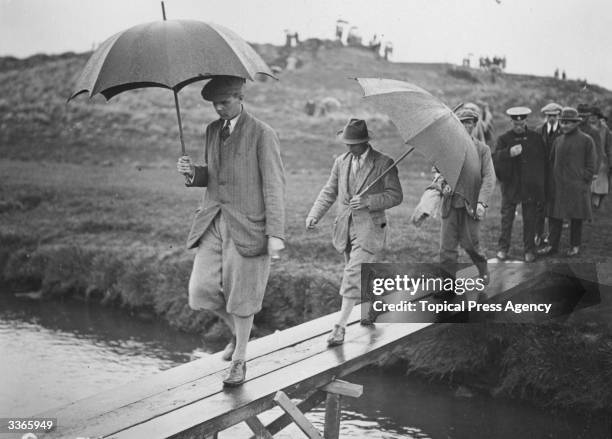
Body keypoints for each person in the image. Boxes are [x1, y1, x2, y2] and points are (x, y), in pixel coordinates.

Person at [176, 76, 286, 387]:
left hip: (249, 226)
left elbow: (274, 186)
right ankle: (241, 336)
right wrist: (193, 173)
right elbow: (214, 176)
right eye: (215, 104)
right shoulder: (212, 130)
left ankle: (240, 360)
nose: (219, 109)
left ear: (239, 97)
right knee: (200, 292)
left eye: (224, 102)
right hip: (213, 221)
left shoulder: (263, 133)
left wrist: (275, 233)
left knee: (242, 298)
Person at [305, 118, 402, 346]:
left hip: (370, 229)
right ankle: (374, 308)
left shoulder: (384, 163)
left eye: (353, 143)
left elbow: (396, 196)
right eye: (346, 143)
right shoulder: (341, 161)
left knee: (351, 274)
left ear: (364, 142)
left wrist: (369, 200)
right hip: (345, 227)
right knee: (360, 272)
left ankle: (339, 328)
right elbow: (330, 190)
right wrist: (314, 214)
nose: (348, 147)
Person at [413, 107, 495, 282]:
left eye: (470, 122)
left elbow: (489, 178)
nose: (466, 126)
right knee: (447, 249)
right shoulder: (446, 150)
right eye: (462, 122)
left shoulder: (482, 150)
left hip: (471, 207)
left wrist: (481, 203)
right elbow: (437, 172)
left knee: (471, 245)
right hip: (449, 206)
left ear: (474, 125)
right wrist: (443, 184)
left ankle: (483, 269)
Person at [538, 107, 596, 256]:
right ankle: (552, 246)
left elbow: (591, 166)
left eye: (568, 122)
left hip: (577, 186)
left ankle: (575, 245)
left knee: (576, 218)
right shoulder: (558, 140)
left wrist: (582, 178)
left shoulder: (586, 140)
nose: (564, 125)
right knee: (555, 217)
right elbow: (551, 163)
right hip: (558, 186)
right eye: (562, 122)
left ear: (576, 123)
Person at [492, 107, 547, 262]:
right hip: (510, 187)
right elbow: (494, 158)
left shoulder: (536, 138)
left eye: (521, 121)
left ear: (525, 120)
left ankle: (529, 250)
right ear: (511, 121)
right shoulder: (504, 139)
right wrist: (508, 153)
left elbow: (543, 163)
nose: (518, 124)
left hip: (530, 188)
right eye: (515, 122)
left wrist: (540, 185)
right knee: (507, 219)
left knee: (530, 219)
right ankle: (503, 249)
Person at [535, 102, 563, 246]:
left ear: (559, 116)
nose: (552, 118)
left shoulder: (563, 132)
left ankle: (552, 238)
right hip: (542, 175)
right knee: (539, 206)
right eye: (549, 115)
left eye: (554, 115)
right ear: (545, 116)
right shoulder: (539, 131)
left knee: (555, 208)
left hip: (557, 177)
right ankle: (538, 235)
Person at [587, 106, 612, 209]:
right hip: (589, 158)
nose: (592, 118)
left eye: (594, 116)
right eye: (590, 116)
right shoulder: (586, 128)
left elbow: (608, 146)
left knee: (600, 184)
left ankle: (595, 205)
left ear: (598, 117)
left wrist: (610, 161)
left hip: (602, 160)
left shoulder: (604, 129)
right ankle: (590, 205)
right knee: (589, 183)